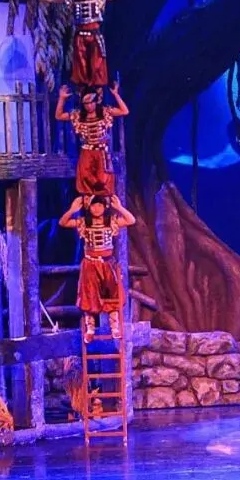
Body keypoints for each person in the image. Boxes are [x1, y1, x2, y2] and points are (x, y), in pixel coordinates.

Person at [19, 0, 152, 87]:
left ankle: (97, 90)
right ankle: (82, 91)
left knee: (96, 65)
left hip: (94, 35)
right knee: (81, 67)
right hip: (80, 37)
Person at [58, 194, 136, 343]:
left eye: (100, 205)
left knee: (113, 293)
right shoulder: (84, 222)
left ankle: (114, 327)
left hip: (107, 264)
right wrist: (72, 210)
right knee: (89, 295)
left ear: (105, 206)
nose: (97, 208)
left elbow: (131, 220)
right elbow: (63, 222)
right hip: (90, 264)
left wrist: (119, 207)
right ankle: (90, 329)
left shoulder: (111, 221)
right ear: (89, 206)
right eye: (94, 205)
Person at [55, 82, 128, 196]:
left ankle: (104, 202)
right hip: (87, 151)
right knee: (85, 178)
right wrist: (62, 98)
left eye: (91, 103)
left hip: (101, 151)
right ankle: (88, 202)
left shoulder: (104, 112)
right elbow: (59, 116)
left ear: (96, 101)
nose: (89, 106)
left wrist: (116, 94)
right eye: (86, 103)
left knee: (103, 179)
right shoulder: (78, 115)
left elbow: (124, 111)